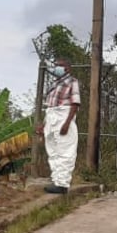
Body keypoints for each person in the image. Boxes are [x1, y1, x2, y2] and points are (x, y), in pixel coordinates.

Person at [36, 57, 81, 194]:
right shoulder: (55, 84)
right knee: (53, 150)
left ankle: (62, 183)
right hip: (52, 116)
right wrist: (44, 125)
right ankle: (56, 180)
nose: (56, 68)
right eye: (55, 65)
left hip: (64, 116)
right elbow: (50, 107)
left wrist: (67, 123)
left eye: (59, 66)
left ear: (67, 68)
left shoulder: (72, 82)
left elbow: (75, 104)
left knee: (65, 150)